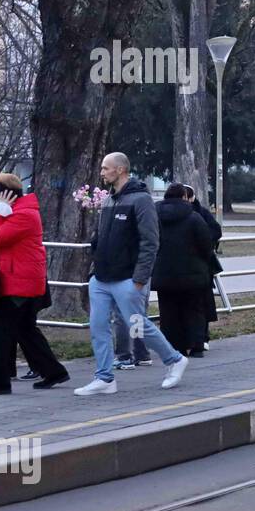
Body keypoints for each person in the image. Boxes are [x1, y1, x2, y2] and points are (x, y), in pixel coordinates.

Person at [75, 152, 189, 396]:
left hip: (128, 278)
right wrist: (95, 269)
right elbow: (100, 237)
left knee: (137, 326)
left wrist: (140, 278)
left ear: (120, 170)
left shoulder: (141, 200)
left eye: (106, 168)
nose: (102, 172)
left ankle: (174, 359)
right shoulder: (108, 200)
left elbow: (150, 241)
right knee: (98, 327)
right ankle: (104, 378)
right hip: (102, 278)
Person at [0, 174, 69, 396]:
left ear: (4, 194)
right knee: (25, 330)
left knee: (1, 330)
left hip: (18, 284)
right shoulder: (20, 211)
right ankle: (53, 371)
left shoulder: (24, 215)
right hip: (19, 280)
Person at [151, 184, 215, 356]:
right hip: (193, 274)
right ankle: (196, 346)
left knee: (168, 312)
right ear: (184, 197)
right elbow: (206, 244)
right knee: (194, 310)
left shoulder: (154, 215)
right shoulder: (194, 217)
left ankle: (174, 347)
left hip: (163, 273)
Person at [183, 185, 222, 356]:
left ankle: (202, 338)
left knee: (202, 304)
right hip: (182, 268)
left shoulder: (201, 213)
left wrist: (203, 245)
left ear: (191, 198)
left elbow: (215, 231)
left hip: (201, 267)